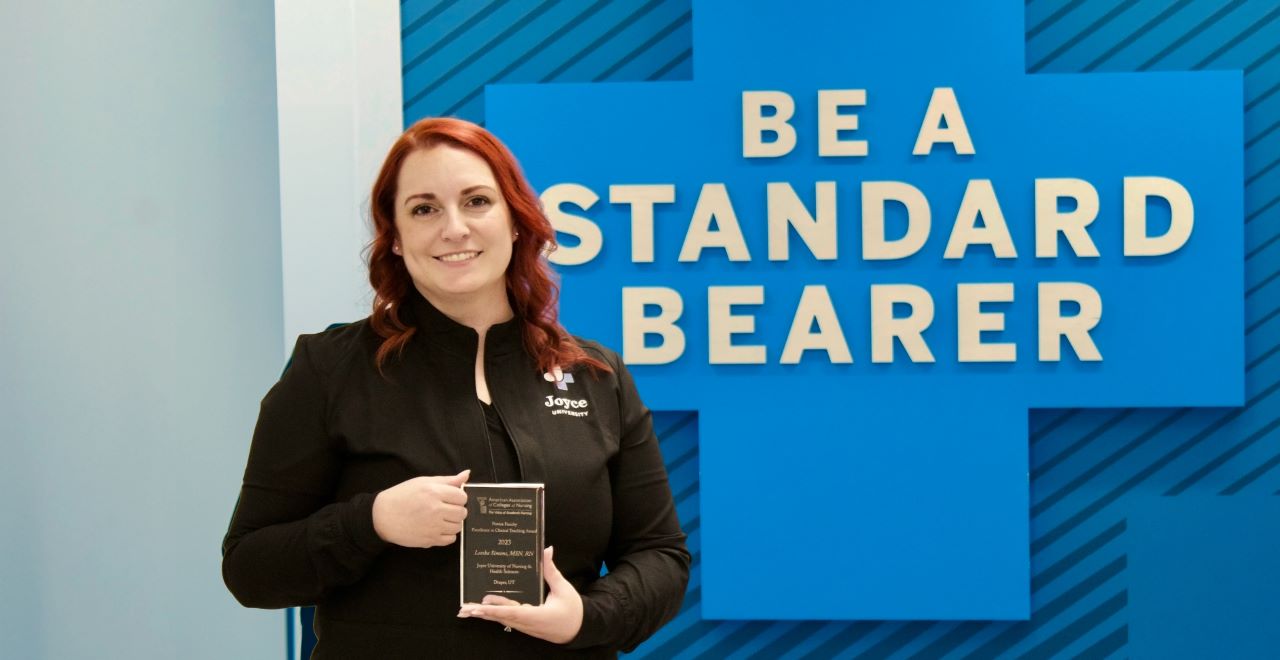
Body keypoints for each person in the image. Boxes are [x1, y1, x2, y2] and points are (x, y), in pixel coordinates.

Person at [222, 117, 690, 658]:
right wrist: (371, 521)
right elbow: (249, 568)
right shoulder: (329, 370)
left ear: (516, 221)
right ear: (394, 238)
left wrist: (586, 618)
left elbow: (660, 557)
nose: (454, 229)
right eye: (424, 209)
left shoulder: (595, 376)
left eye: (476, 202)